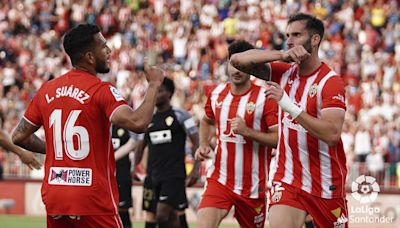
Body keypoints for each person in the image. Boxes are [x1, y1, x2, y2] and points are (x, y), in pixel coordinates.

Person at [11, 24, 165, 228]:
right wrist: (154, 85)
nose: (109, 51)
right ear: (90, 57)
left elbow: (18, 136)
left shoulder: (46, 90)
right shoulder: (101, 90)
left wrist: (54, 149)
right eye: (103, 46)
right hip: (92, 199)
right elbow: (138, 122)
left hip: (56, 194)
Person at [230, 13, 348, 228]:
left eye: (296, 35)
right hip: (288, 179)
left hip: (325, 184)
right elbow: (237, 60)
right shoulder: (283, 72)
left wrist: (288, 105)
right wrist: (282, 55)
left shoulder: (330, 82)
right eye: (287, 36)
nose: (290, 40)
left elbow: (331, 134)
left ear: (314, 40)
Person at [195, 40, 278, 228]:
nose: (237, 70)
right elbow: (206, 120)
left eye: (243, 65)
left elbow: (277, 140)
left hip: (253, 187)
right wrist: (203, 144)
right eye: (233, 64)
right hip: (220, 180)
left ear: (252, 67)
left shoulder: (265, 97)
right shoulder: (216, 94)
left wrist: (247, 132)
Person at [135, 77, 200, 228]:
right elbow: (140, 146)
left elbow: (196, 141)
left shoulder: (181, 115)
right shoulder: (148, 118)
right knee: (159, 216)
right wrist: (135, 167)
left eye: (161, 91)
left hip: (173, 176)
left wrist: (195, 169)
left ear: (169, 93)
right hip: (152, 176)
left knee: (162, 214)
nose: (156, 94)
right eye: (155, 91)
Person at [111, 124, 137, 228]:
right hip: (104, 175)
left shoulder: (126, 125)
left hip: (122, 174)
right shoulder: (101, 124)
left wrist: (112, 158)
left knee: (122, 211)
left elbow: (134, 143)